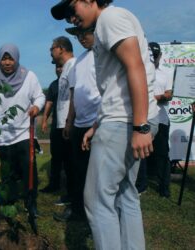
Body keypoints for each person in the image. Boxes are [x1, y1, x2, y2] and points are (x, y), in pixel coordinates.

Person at [51, 1, 159, 249]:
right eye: (66, 16)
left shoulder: (110, 18)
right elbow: (116, 86)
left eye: (71, 9)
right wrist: (98, 124)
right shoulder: (109, 22)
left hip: (125, 122)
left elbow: (136, 67)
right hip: (122, 119)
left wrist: (141, 126)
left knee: (98, 201)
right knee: (126, 195)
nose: (71, 19)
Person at [0, 43, 45, 211]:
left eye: (10, 58)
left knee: (28, 168)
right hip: (3, 134)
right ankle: (8, 198)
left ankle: (30, 201)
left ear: (16, 59)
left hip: (24, 132)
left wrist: (37, 107)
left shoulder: (29, 77)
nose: (7, 63)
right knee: (7, 169)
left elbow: (39, 96)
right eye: (4, 59)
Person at [53, 25, 101, 222]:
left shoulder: (104, 56)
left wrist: (99, 123)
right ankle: (79, 210)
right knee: (78, 171)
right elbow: (73, 94)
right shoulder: (79, 61)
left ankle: (98, 214)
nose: (82, 37)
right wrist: (69, 122)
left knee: (97, 174)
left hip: (98, 123)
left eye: (85, 33)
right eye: (78, 35)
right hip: (79, 124)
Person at [136, 42, 173, 197]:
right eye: (152, 55)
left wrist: (153, 98)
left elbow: (169, 94)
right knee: (141, 153)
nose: (155, 58)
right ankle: (141, 185)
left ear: (160, 56)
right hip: (145, 117)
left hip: (162, 117)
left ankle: (164, 187)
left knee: (162, 154)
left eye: (156, 55)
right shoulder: (141, 71)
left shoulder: (166, 72)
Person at [47, 36, 76, 206]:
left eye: (52, 48)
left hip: (69, 123)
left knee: (72, 163)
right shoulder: (65, 69)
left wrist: (69, 121)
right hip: (62, 124)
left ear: (60, 49)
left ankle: (74, 198)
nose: (50, 52)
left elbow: (74, 95)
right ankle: (70, 194)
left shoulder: (73, 66)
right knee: (66, 161)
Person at [40, 63, 63, 193]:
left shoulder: (73, 81)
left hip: (71, 126)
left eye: (61, 66)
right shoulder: (53, 85)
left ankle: (71, 188)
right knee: (56, 156)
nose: (59, 69)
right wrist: (44, 120)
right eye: (57, 67)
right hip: (56, 126)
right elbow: (49, 103)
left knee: (71, 158)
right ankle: (54, 185)